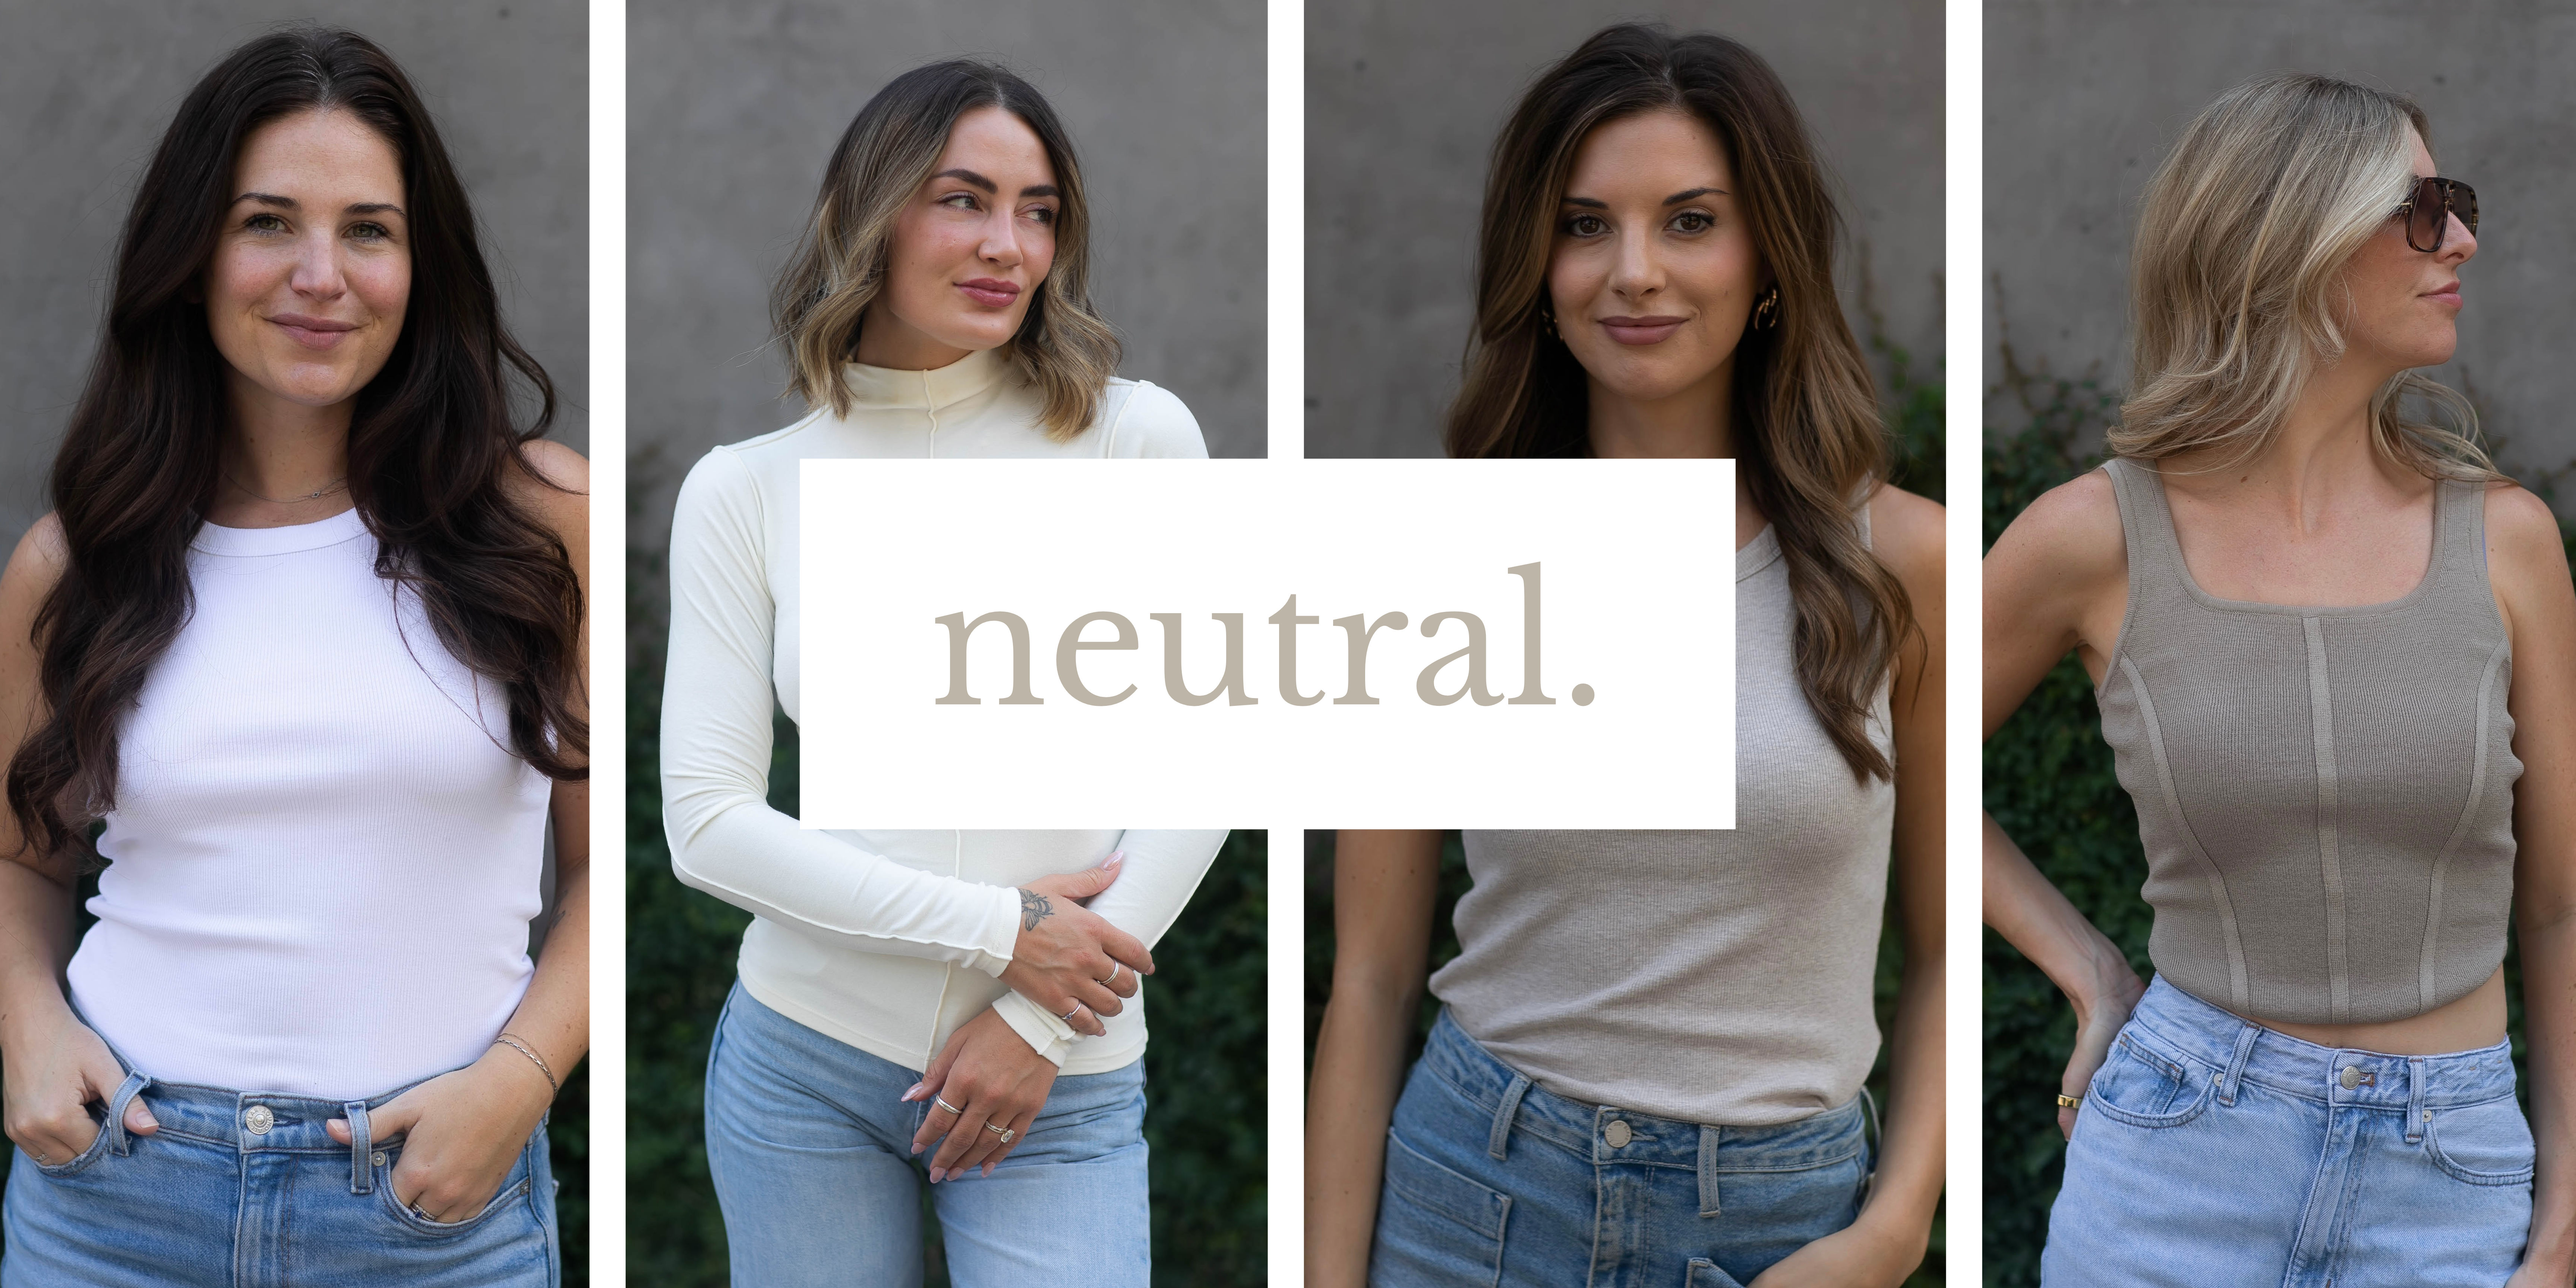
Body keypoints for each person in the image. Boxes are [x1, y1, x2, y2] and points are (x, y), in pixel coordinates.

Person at [1305, 25, 1946, 1288]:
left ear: (1767, 255)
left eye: (1690, 222)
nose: (1634, 272)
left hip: (1784, 1231)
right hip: (1476, 1198)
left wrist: (1896, 1228)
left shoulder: (1903, 563)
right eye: (1586, 225)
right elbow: (1371, 979)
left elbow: (1941, 953)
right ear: (1536, 266)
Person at [0, 28, 589, 1287]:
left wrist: (518, 1083)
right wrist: (29, 1029)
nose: (322, 274)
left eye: (369, 230)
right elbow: (24, 860)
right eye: (270, 221)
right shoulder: (78, 561)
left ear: (420, 266)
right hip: (116, 1197)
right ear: (192, 256)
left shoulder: (536, 525)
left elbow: (610, 876)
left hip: (429, 1209)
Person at [1983, 73, 2576, 1286]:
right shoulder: (2091, 537)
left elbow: (2563, 906)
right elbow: (1883, 752)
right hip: (2174, 1160)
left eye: (2454, 202)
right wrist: (2089, 968)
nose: (2462, 236)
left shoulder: (2507, 542)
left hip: (2452, 1181)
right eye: (2420, 207)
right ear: (2289, 240)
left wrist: (2563, 1219)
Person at [660, 57, 1219, 1287]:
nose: (1007, 245)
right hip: (802, 1064)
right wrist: (1002, 932)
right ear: (872, 214)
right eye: (963, 199)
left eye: (1039, 211)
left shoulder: (1136, 439)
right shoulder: (748, 488)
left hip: (1058, 1073)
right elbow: (706, 828)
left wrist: (1030, 1017)